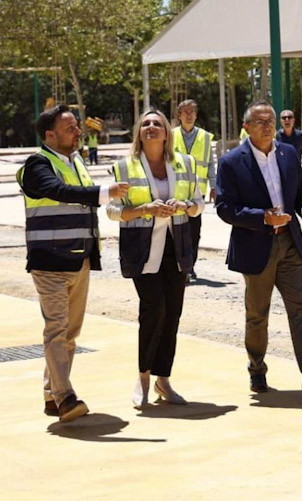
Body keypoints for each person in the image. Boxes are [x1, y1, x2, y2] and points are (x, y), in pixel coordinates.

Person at [216, 100, 302, 395]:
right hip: (255, 246)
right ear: (246, 127)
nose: (267, 126)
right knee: (257, 314)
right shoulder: (231, 162)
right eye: (259, 122)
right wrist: (262, 217)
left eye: (270, 121)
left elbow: (298, 193)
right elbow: (225, 208)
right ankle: (257, 370)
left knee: (301, 309)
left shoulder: (289, 154)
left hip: (289, 242)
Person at [16, 105, 129, 423]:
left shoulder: (77, 161)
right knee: (56, 328)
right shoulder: (37, 164)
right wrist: (103, 192)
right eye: (70, 127)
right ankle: (66, 398)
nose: (78, 130)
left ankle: (52, 395)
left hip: (78, 258)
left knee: (69, 333)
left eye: (77, 126)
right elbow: (57, 191)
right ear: (49, 134)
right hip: (49, 260)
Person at [108, 109, 204, 408]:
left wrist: (184, 205)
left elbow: (199, 204)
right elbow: (112, 211)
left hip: (177, 249)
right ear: (139, 132)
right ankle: (144, 377)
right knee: (154, 309)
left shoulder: (185, 164)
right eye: (146, 124)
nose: (151, 128)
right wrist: (144, 209)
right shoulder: (124, 167)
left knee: (172, 312)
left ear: (167, 133)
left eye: (157, 124)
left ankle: (164, 379)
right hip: (143, 250)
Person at [171, 99, 216, 280]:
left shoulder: (204, 137)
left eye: (192, 112)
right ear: (179, 115)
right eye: (185, 112)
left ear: (196, 115)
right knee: (177, 231)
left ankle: (190, 266)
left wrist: (214, 185)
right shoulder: (171, 135)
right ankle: (178, 265)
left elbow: (211, 163)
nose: (189, 115)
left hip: (198, 192)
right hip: (176, 191)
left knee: (194, 231)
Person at [277, 109, 302, 177]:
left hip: (296, 173)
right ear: (281, 121)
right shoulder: (276, 136)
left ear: (293, 120)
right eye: (284, 118)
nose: (287, 119)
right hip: (280, 173)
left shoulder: (300, 135)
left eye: (290, 117)